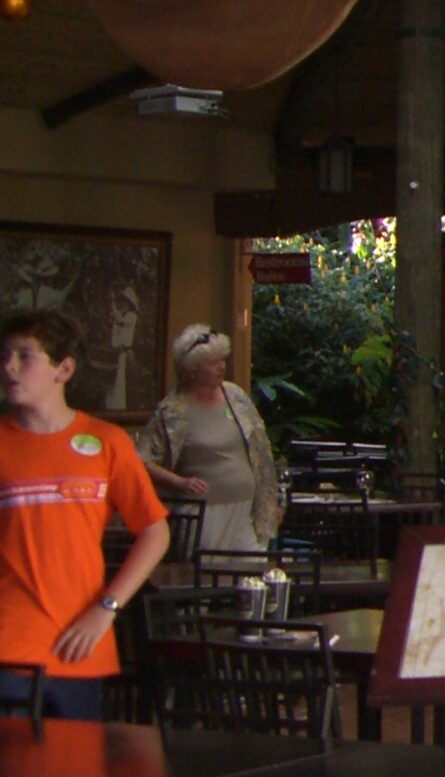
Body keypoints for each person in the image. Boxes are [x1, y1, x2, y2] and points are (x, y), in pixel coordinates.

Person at [0, 308, 170, 719]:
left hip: (81, 647)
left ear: (64, 369)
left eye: (25, 356)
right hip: (8, 647)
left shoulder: (106, 442)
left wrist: (107, 608)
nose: (9, 367)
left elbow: (154, 530)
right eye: (4, 355)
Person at [139, 322, 282, 559]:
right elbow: (141, 460)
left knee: (251, 574)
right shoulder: (173, 410)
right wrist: (179, 482)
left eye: (222, 360)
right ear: (192, 369)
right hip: (204, 515)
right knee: (207, 580)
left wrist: (272, 500)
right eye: (213, 362)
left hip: (246, 510)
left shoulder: (235, 396)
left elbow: (261, 450)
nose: (221, 367)